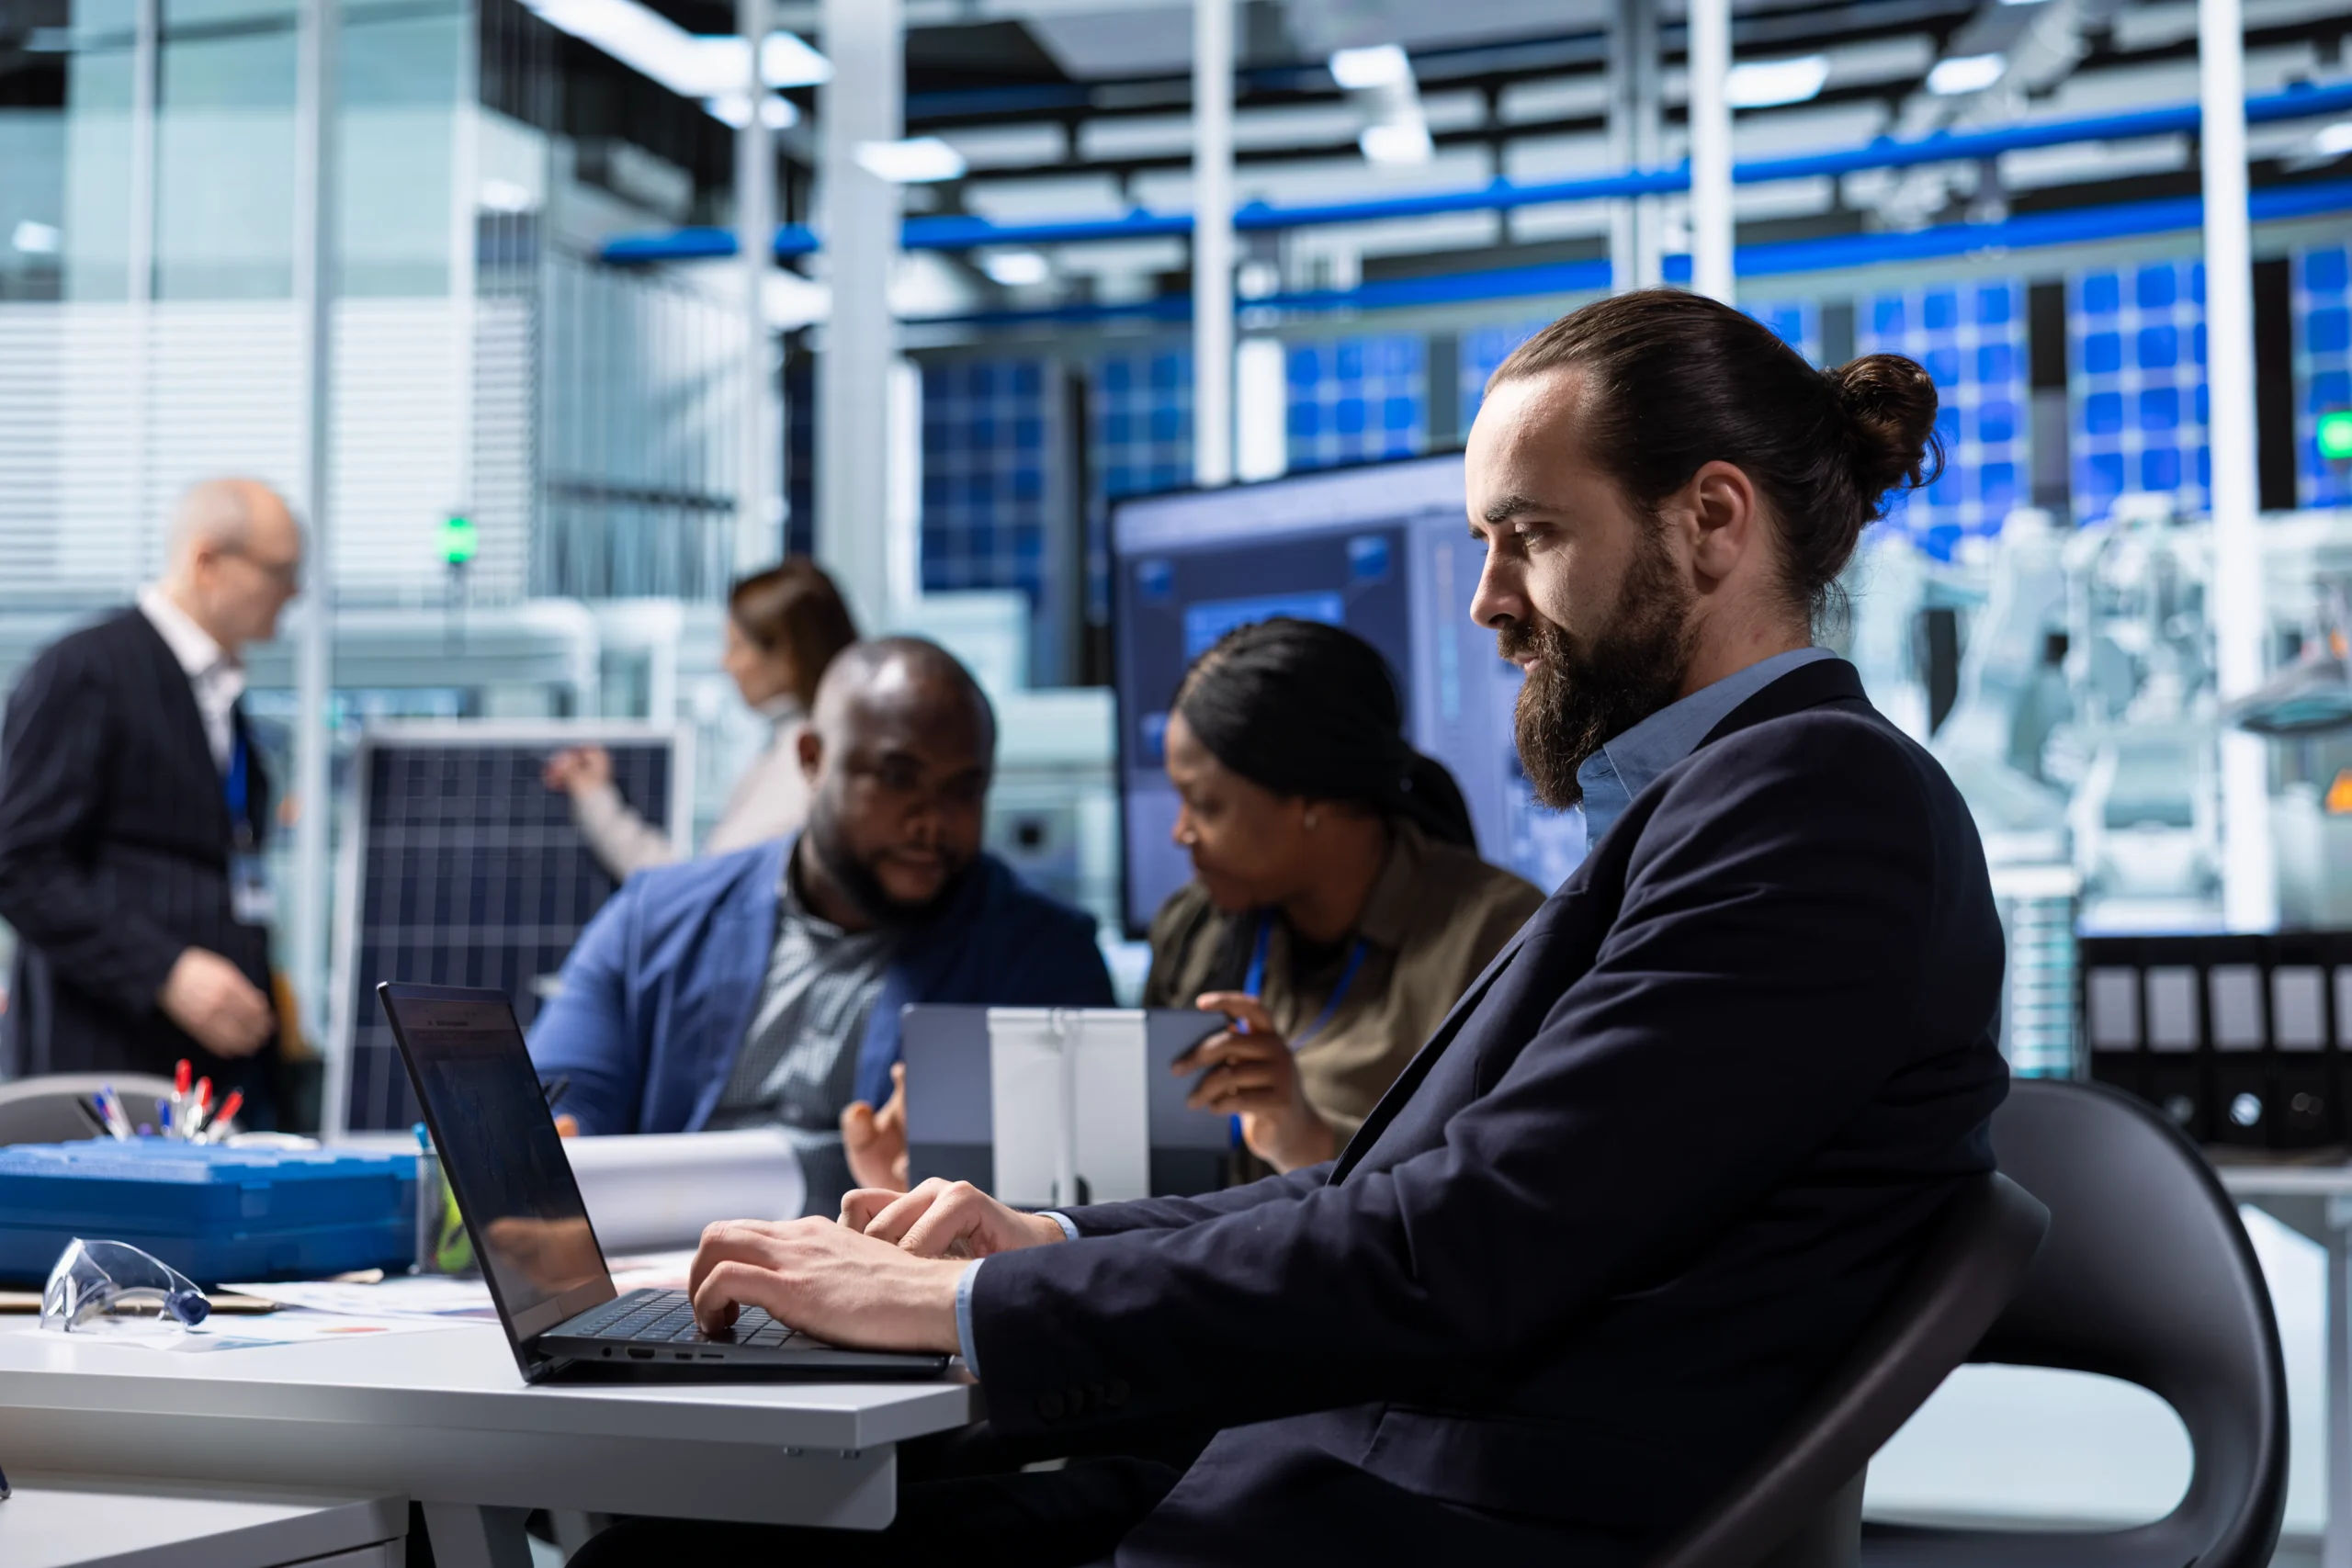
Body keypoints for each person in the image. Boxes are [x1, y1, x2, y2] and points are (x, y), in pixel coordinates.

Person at [570, 288, 2012, 1568]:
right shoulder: (1724, 799)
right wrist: (1039, 1237)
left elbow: (1451, 1245)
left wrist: (971, 1300)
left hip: (1429, 1512)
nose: (1487, 598)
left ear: (1711, 519)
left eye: (1532, 537)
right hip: (1345, 1468)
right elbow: (1389, 1195)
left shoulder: (1815, 803)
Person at [841, 617, 1544, 1191]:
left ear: (1313, 800)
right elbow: (1143, 1186)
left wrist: (1307, 1139)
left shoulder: (1497, 940)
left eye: (1205, 804)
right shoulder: (1197, 927)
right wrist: (947, 1178)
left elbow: (1495, 1205)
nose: (1180, 832)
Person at [527, 637, 1115, 1216]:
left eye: (964, 790)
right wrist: (551, 1159)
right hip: (660, 1287)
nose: (931, 821)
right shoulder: (654, 920)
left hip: (884, 1294)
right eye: (897, 777)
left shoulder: (1042, 955)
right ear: (811, 758)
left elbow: (1072, 1214)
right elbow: (559, 1107)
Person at [0, 479, 303, 1115]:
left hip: (215, 1079)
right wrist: (166, 970)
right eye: (279, 571)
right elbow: (18, 862)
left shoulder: (222, 699)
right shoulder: (88, 669)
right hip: (103, 1075)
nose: (293, 593)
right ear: (206, 561)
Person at [545, 559, 858, 880]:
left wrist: (597, 802)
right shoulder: (826, 747)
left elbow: (697, 887)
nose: (726, 663)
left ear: (788, 657)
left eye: (737, 646)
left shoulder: (801, 763)